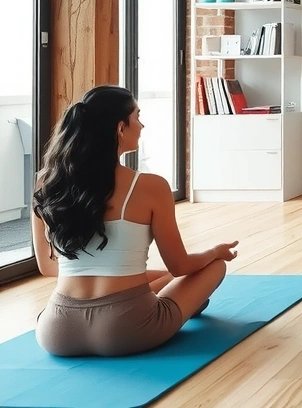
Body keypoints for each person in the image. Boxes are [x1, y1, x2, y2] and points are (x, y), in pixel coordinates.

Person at [31, 86, 236, 357]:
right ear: (120, 127)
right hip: (127, 330)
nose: (142, 125)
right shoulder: (151, 186)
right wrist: (215, 252)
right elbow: (180, 266)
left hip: (56, 330)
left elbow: (47, 268)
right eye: (138, 117)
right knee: (214, 267)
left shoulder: (48, 181)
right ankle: (187, 301)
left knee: (157, 276)